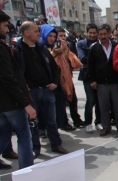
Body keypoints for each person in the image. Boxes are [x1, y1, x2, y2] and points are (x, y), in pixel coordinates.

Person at [13, 22, 68, 158]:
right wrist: (23, 85)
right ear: (26, 33)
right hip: (31, 92)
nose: (39, 33)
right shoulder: (16, 50)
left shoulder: (41, 48)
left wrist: (55, 83)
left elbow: (54, 68)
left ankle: (56, 144)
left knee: (52, 120)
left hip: (47, 89)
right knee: (33, 123)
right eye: (36, 31)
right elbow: (14, 72)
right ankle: (35, 148)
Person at [0, 10, 36, 169]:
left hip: (3, 103)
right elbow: (8, 78)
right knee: (24, 138)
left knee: (3, 135)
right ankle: (27, 174)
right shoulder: (1, 48)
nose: (8, 29)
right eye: (5, 25)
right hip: (12, 102)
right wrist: (26, 103)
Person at [88, 24, 118, 137]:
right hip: (101, 83)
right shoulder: (94, 48)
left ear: (109, 34)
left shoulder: (116, 46)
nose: (103, 36)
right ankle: (106, 127)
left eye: (105, 34)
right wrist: (92, 80)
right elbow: (90, 66)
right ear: (98, 35)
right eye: (100, 34)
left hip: (115, 81)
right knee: (103, 106)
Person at [51, 26, 83, 131]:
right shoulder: (51, 48)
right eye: (60, 36)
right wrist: (57, 52)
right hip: (57, 80)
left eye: (64, 36)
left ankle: (76, 120)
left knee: (73, 100)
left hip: (67, 77)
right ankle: (64, 122)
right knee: (61, 103)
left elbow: (74, 61)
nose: (62, 38)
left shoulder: (67, 48)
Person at [77, 23, 102, 133]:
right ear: (86, 33)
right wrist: (94, 62)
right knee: (90, 100)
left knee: (99, 100)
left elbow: (103, 59)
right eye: (90, 33)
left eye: (94, 33)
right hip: (87, 76)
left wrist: (91, 62)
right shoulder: (81, 43)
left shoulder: (100, 43)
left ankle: (98, 122)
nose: (92, 35)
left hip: (99, 75)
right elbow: (82, 58)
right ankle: (88, 123)